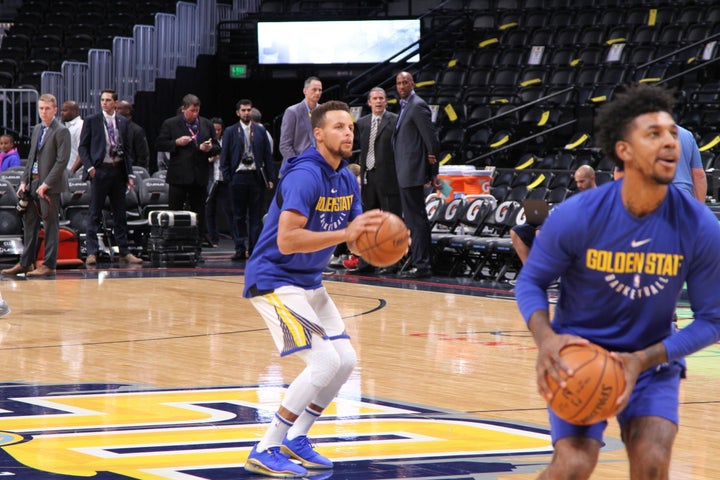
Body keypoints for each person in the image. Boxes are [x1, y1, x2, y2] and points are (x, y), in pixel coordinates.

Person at [515, 84, 720, 480]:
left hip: (651, 362)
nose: (669, 143)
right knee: (574, 463)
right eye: (653, 134)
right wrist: (547, 340)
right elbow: (530, 282)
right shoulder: (578, 214)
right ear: (624, 150)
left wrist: (640, 360)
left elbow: (712, 319)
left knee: (652, 462)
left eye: (673, 133)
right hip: (577, 357)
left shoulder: (700, 227)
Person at [242, 101, 396, 477]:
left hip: (310, 282)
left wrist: (380, 241)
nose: (348, 133)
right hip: (274, 279)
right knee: (324, 361)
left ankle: (298, 437)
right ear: (319, 134)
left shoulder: (346, 177)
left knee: (344, 361)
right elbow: (287, 240)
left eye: (351, 128)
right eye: (340, 127)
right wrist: (347, 235)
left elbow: (357, 235)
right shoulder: (303, 175)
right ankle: (266, 446)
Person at [1, 93, 70, 277]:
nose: (44, 112)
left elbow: (62, 161)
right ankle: (26, 263)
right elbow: (32, 158)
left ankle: (49, 264)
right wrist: (24, 180)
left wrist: (47, 183)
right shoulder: (38, 128)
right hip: (33, 183)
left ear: (55, 110)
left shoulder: (61, 131)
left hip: (50, 187)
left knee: (50, 225)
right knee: (29, 223)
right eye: (41, 108)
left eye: (47, 108)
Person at [79, 89, 143, 266]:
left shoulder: (122, 121)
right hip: (100, 170)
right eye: (102, 100)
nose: (104, 103)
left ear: (115, 103)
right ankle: (92, 252)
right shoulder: (92, 120)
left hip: (118, 171)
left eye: (108, 100)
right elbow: (82, 147)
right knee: (95, 213)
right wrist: (90, 167)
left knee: (120, 213)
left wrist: (129, 173)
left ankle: (123, 251)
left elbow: (128, 149)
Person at [392, 71, 440, 278]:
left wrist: (433, 173)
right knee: (414, 220)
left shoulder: (417, 105)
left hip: (413, 172)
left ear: (413, 84)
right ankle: (420, 263)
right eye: (399, 83)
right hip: (405, 171)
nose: (402, 86)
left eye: (405, 82)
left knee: (417, 220)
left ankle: (423, 266)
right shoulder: (405, 106)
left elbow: (431, 140)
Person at [155, 94, 220, 245]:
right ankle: (173, 244)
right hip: (179, 176)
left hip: (199, 176)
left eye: (197, 110)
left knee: (199, 214)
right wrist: (176, 143)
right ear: (184, 109)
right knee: (175, 212)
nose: (195, 114)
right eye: (192, 110)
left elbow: (217, 147)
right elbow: (159, 144)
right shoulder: (171, 123)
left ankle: (197, 246)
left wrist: (209, 148)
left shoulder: (206, 124)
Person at [220, 99, 275, 261]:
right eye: (243, 110)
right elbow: (225, 158)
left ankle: (254, 249)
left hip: (255, 176)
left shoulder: (260, 131)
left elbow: (268, 157)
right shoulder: (230, 131)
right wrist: (228, 178)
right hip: (238, 177)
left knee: (256, 216)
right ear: (238, 112)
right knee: (238, 215)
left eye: (248, 110)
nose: (246, 113)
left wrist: (270, 178)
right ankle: (239, 248)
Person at [510, 165, 597, 264]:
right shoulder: (577, 195)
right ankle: (530, 271)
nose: (578, 185)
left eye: (582, 181)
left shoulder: (600, 196)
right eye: (577, 182)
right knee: (517, 231)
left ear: (592, 178)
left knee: (541, 232)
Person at [279, 76, 322, 163]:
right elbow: (285, 145)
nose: (317, 93)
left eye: (320, 90)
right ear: (305, 91)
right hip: (297, 165)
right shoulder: (292, 112)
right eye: (314, 89)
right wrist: (297, 163)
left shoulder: (324, 112)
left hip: (318, 164)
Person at [204, 117, 230, 248]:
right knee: (210, 210)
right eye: (215, 130)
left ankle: (237, 238)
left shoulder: (226, 140)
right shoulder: (207, 142)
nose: (217, 132)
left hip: (224, 179)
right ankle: (213, 239)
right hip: (211, 178)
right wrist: (212, 157)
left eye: (219, 130)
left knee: (228, 209)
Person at [115, 100, 150, 171]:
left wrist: (139, 171)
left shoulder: (137, 130)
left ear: (128, 111)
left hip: (131, 169)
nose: (115, 111)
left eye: (119, 108)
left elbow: (143, 155)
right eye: (115, 108)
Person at [61, 100, 83, 174]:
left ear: (74, 111)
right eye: (61, 110)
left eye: (65, 110)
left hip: (77, 173)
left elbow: (82, 152)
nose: (62, 113)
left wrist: (72, 172)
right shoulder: (67, 127)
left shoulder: (80, 126)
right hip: (66, 171)